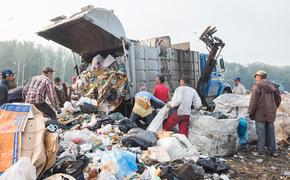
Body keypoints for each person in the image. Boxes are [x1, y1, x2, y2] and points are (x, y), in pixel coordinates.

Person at [248, 70, 281, 157]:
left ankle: (261, 153)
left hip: (260, 113)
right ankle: (274, 151)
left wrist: (250, 112)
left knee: (261, 133)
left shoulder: (257, 86)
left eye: (256, 76)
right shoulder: (273, 86)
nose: (255, 78)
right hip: (271, 113)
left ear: (260, 76)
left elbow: (253, 101)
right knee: (271, 132)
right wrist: (273, 107)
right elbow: (278, 99)